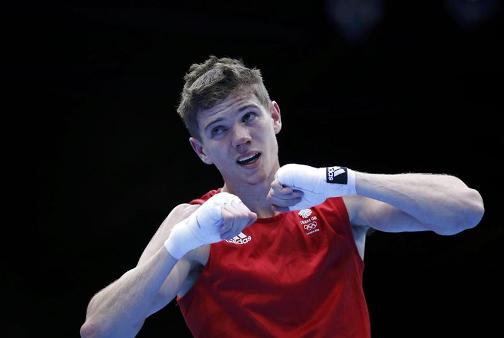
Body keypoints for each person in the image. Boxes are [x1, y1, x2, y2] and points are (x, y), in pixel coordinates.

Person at [80, 56, 485, 338]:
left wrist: (348, 180)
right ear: (201, 150)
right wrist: (178, 244)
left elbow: (466, 210)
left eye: (248, 116)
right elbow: (101, 330)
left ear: (274, 116)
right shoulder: (192, 224)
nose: (240, 137)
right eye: (218, 130)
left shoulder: (337, 200)